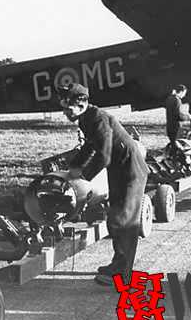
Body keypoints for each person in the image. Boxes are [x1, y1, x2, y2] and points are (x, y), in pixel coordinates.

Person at [58, 83, 148, 286]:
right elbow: (91, 146)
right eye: (63, 109)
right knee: (115, 217)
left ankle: (123, 275)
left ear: (81, 103)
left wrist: (83, 177)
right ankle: (118, 264)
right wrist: (74, 166)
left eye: (68, 109)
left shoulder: (97, 118)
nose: (65, 113)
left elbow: (104, 156)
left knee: (125, 221)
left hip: (131, 170)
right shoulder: (85, 119)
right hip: (118, 170)